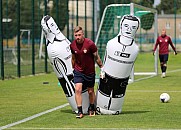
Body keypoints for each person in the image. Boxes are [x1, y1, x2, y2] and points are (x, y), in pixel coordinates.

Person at [70, 26, 103, 118]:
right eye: (76, 35)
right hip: (78, 71)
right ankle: (79, 111)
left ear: (83, 34)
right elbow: (73, 58)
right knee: (77, 89)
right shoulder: (72, 45)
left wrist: (102, 67)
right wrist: (73, 68)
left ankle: (91, 107)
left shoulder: (90, 44)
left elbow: (96, 57)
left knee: (90, 91)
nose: (78, 37)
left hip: (89, 72)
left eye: (79, 35)